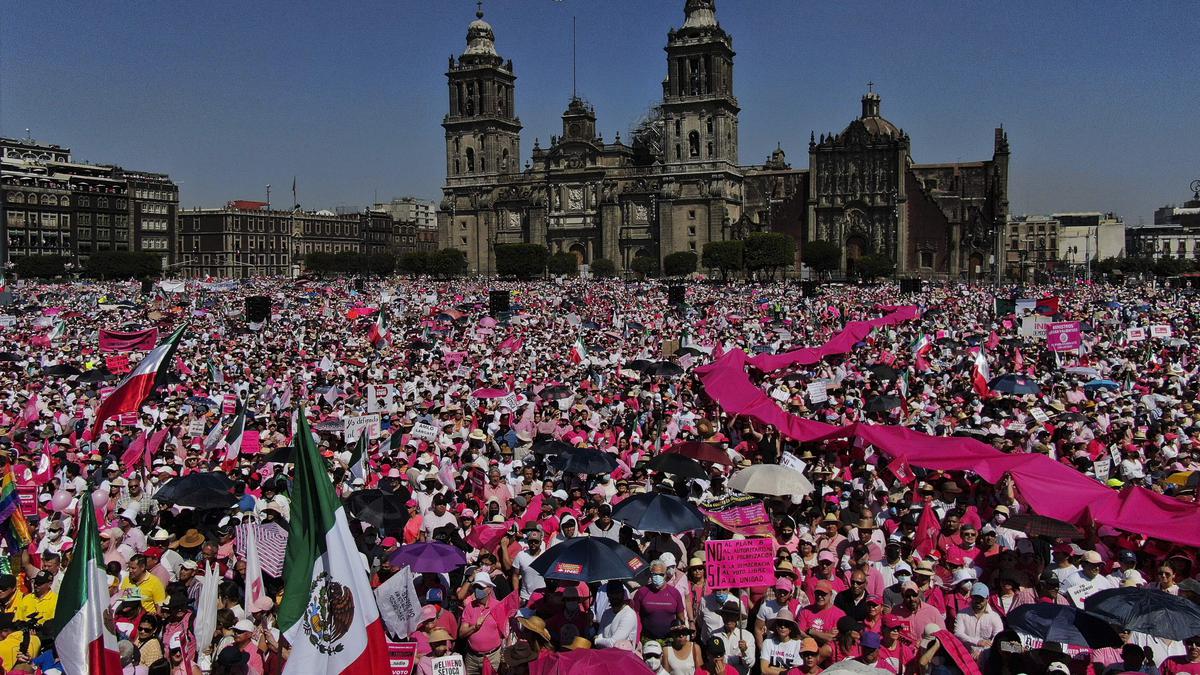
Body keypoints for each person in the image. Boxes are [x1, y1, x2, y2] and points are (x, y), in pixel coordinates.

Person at [634, 560, 687, 642]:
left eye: (661, 574)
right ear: (650, 575)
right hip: (647, 639)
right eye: (654, 574)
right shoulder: (641, 592)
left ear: (665, 575)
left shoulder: (674, 593)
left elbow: (681, 618)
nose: (657, 577)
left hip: (670, 639)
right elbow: (635, 618)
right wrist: (637, 639)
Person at [760, 610, 803, 675]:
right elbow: (764, 670)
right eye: (780, 624)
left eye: (786, 624)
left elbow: (795, 673)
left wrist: (772, 668)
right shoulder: (768, 642)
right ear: (776, 627)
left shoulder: (798, 644)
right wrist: (787, 671)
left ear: (791, 628)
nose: (782, 627)